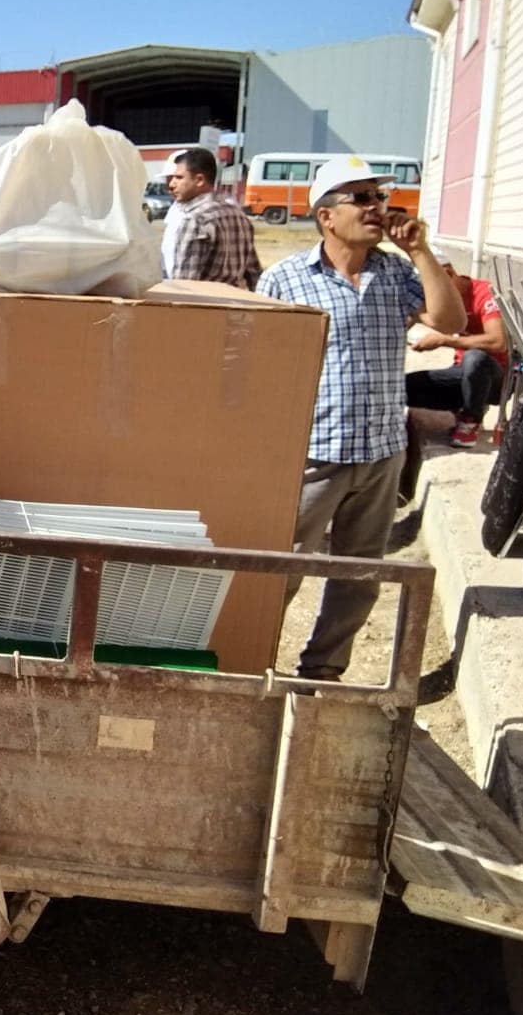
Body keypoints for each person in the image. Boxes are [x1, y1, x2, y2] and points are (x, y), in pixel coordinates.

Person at [257, 155, 464, 682]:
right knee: (280, 570)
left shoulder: (395, 272)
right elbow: (260, 366)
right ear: (327, 216)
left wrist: (419, 251)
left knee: (359, 576)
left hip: (381, 454)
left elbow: (451, 320)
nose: (377, 208)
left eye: (379, 197)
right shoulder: (285, 280)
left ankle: (322, 671)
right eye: (362, 198)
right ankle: (251, 661)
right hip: (315, 453)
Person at [405, 247, 507, 448]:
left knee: (475, 358)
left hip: (494, 377)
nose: (430, 295)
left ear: (449, 274)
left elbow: (498, 342)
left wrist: (444, 340)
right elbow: (409, 319)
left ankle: (470, 420)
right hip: (460, 372)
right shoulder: (437, 299)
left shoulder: (484, 292)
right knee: (401, 388)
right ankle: (462, 407)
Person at [164, 147, 260, 290]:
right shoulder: (238, 214)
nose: (171, 184)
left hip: (204, 301)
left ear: (199, 180)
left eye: (179, 178)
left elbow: (183, 285)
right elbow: (253, 274)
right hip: (234, 300)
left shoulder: (195, 220)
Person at [158, 150, 188, 275]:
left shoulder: (215, 213)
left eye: (178, 178)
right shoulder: (176, 208)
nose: (171, 184)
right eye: (168, 179)